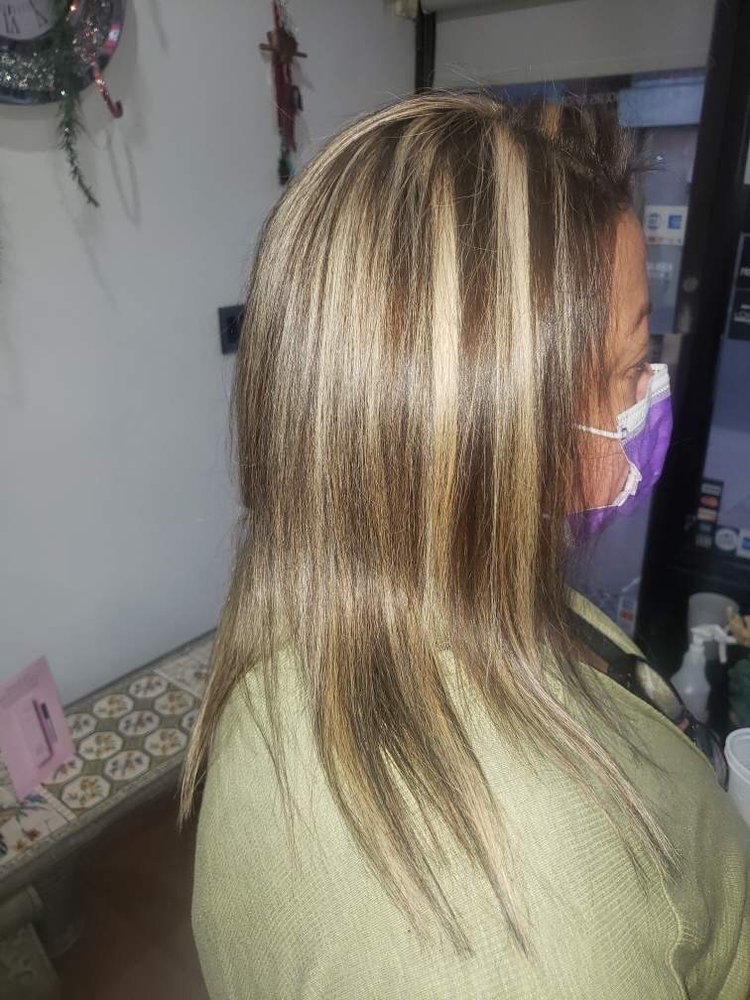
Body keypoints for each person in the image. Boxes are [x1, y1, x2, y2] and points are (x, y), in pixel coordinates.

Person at [181, 92, 750, 998]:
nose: (652, 390)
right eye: (628, 367)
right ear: (493, 430)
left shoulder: (313, 641)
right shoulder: (530, 931)